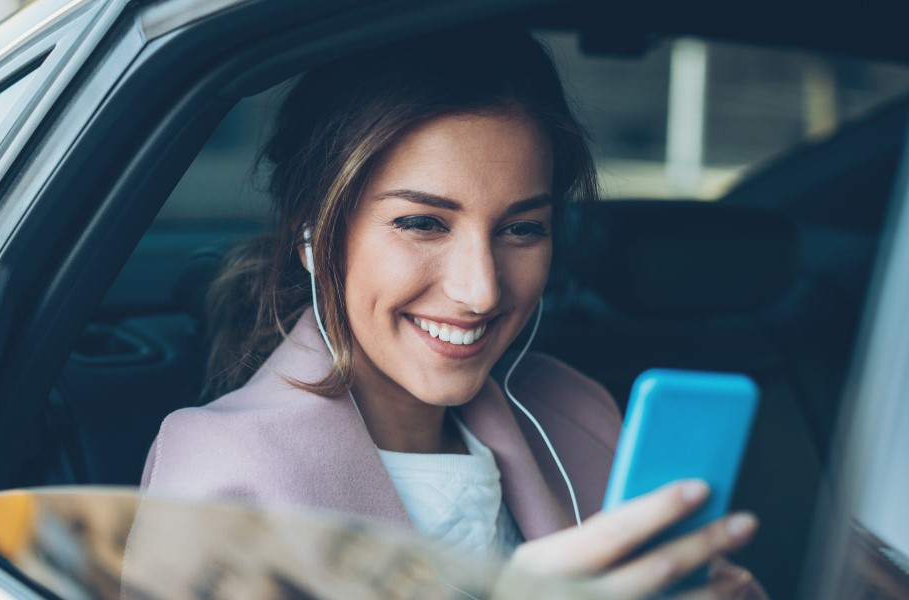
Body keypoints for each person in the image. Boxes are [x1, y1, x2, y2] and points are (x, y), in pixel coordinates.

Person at [141, 25, 764, 599]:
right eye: (422, 223)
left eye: (521, 229)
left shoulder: (576, 412)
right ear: (313, 228)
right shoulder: (221, 473)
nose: (482, 291)